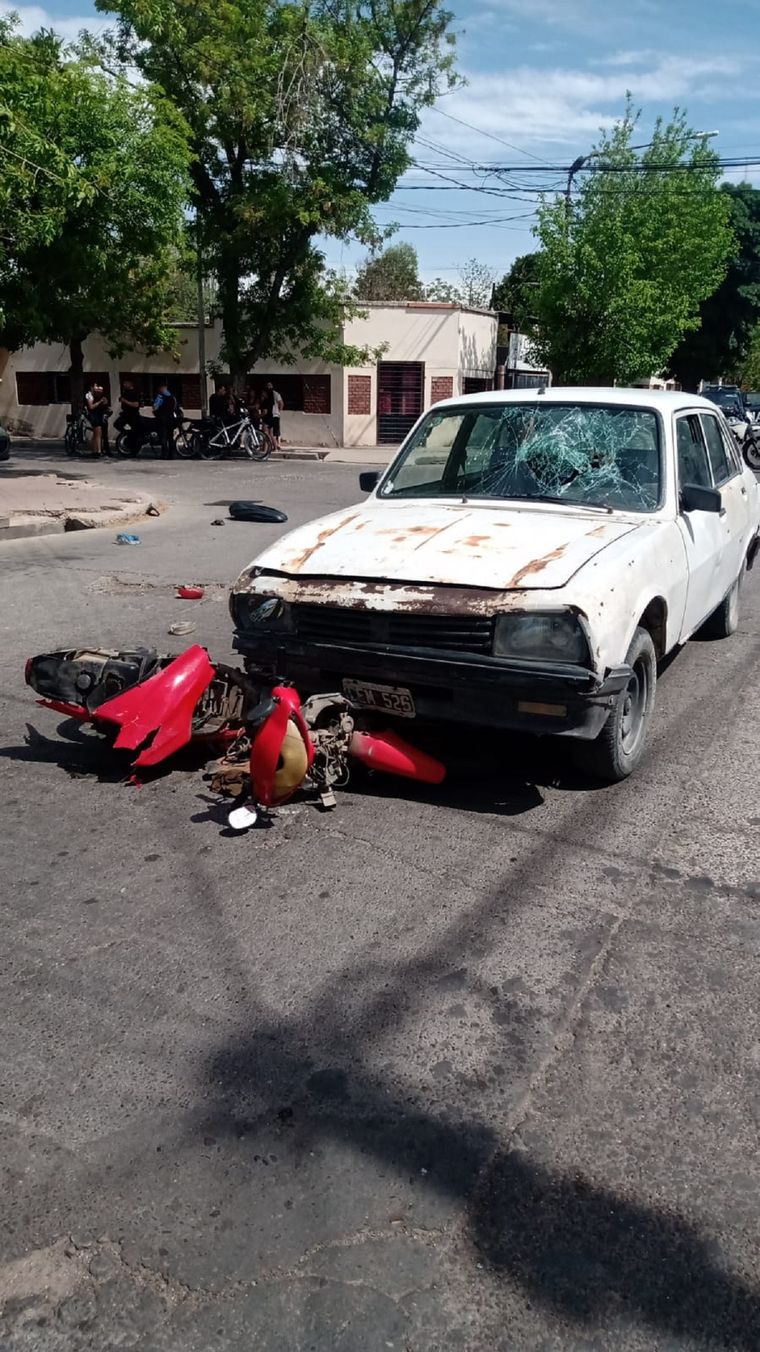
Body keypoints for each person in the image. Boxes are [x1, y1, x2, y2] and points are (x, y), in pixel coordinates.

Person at [84, 379, 109, 457]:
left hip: (97, 414)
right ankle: (97, 451)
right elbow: (91, 406)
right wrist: (99, 402)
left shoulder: (96, 395)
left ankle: (96, 450)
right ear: (91, 387)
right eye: (95, 386)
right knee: (97, 432)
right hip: (93, 414)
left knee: (97, 433)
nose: (97, 387)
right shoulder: (89, 395)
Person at [153, 382, 177, 459]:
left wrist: (155, 409)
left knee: (163, 436)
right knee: (170, 437)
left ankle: (164, 454)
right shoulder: (172, 396)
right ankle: (171, 454)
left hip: (163, 419)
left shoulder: (160, 396)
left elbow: (155, 407)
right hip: (171, 419)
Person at [115, 380, 143, 445]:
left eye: (125, 384)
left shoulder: (135, 393)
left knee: (135, 429)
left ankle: (134, 439)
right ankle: (129, 434)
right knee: (117, 424)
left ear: (130, 385)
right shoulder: (125, 392)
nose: (124, 385)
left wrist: (125, 401)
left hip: (133, 415)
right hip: (125, 414)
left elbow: (136, 404)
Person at [262, 381, 284, 450]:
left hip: (271, 415)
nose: (268, 387)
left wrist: (278, 411)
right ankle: (275, 446)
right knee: (272, 433)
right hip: (274, 415)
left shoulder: (273, 394)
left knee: (270, 432)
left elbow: (281, 403)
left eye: (269, 385)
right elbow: (281, 403)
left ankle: (271, 446)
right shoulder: (275, 394)